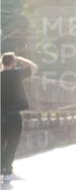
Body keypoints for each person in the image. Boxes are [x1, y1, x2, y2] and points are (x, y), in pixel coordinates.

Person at [1, 52, 38, 181]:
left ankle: (3, 170)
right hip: (13, 115)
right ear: (13, 62)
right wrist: (20, 58)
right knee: (12, 143)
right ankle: (7, 172)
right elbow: (34, 68)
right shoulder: (16, 74)